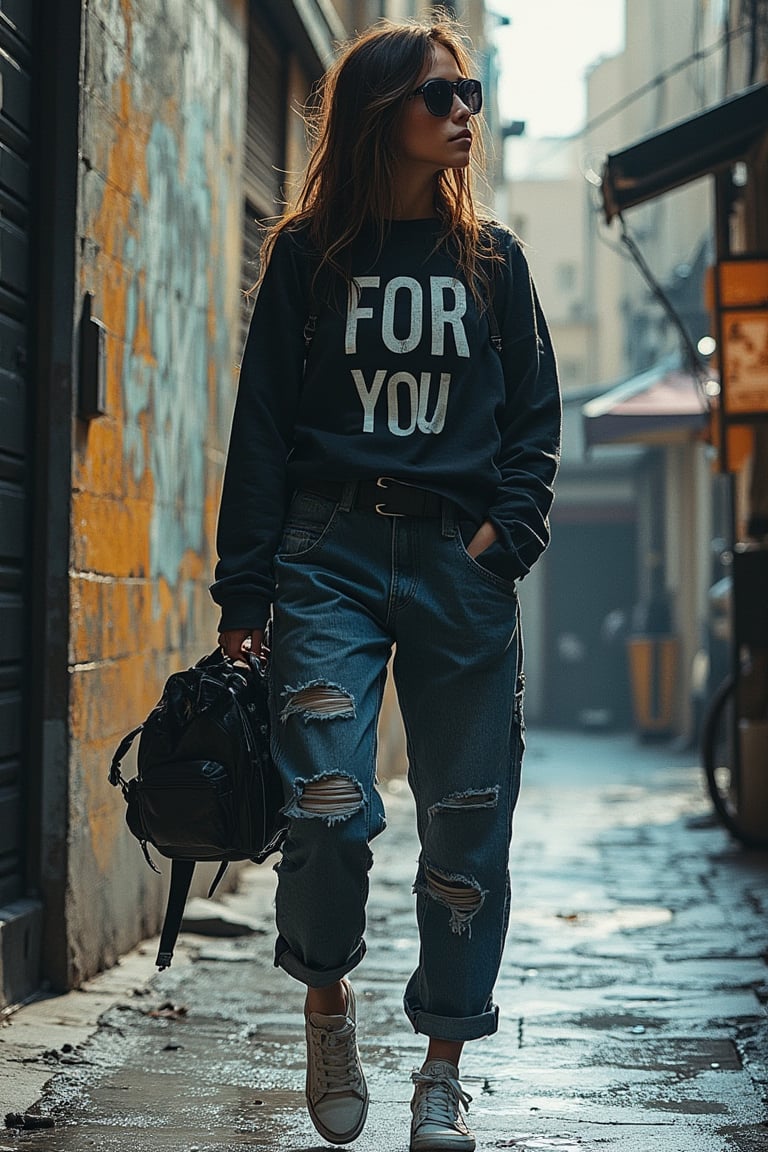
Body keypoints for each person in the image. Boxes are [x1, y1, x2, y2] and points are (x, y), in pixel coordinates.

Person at [212, 17, 560, 1151]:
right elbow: (261, 429)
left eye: (468, 92)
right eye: (439, 96)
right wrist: (243, 601)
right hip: (331, 564)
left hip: (459, 574)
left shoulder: (494, 263)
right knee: (327, 813)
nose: (464, 111)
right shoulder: (311, 257)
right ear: (379, 117)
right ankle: (328, 1004)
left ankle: (442, 1073)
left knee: (467, 830)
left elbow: (535, 431)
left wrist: (499, 546)